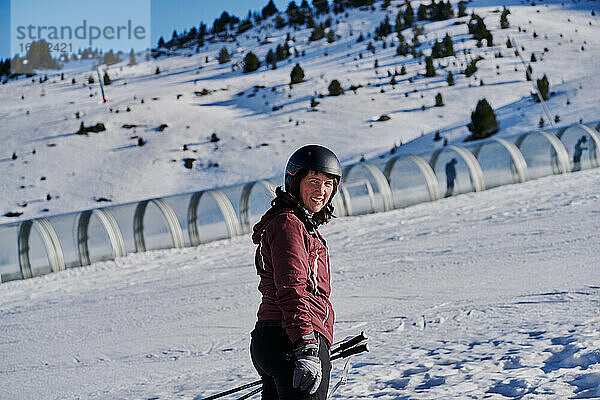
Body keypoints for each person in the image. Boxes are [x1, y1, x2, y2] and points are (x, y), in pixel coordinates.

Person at [250, 144, 342, 400]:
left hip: (277, 337)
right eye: (313, 181)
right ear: (294, 182)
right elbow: (292, 289)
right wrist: (306, 345)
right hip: (291, 338)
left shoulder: (296, 224)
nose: (321, 191)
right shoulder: (289, 224)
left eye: (328, 184)